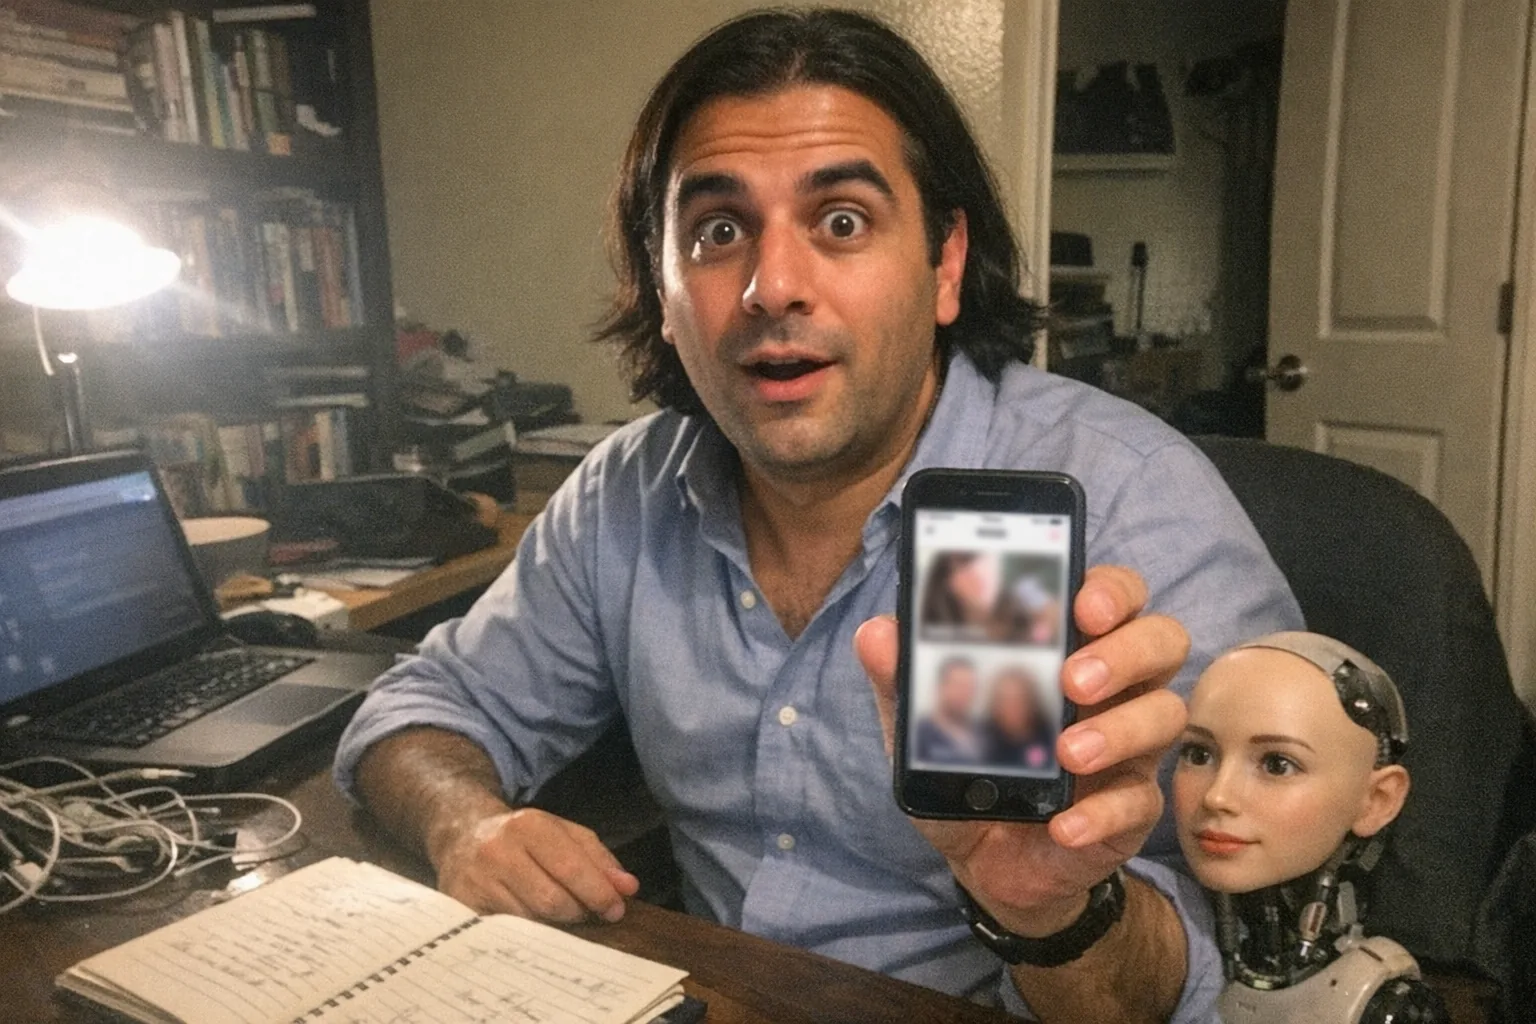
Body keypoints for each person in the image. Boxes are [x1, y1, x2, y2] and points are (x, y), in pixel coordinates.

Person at [334, 9, 1302, 1021]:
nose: (772, 287)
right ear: (662, 290)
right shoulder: (625, 492)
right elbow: (421, 710)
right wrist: (464, 823)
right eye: (718, 232)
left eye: (841, 221)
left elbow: (1245, 973)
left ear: (944, 264)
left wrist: (1051, 910)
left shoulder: (1137, 503)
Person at [1173, 632, 1447, 1021]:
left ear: (1377, 800)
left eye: (1277, 764)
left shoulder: (1379, 1004)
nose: (1217, 796)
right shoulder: (1158, 945)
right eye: (1199, 754)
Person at [913, 656, 984, 765]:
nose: (965, 693)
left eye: (970, 687)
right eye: (958, 685)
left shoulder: (983, 733)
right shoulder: (919, 734)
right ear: (941, 687)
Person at [981, 665, 1054, 770]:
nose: (1012, 706)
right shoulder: (981, 743)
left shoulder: (1051, 738)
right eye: (1005, 699)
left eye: (1019, 698)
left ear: (1031, 701)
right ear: (994, 704)